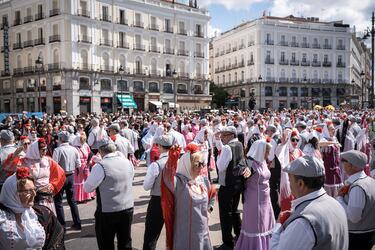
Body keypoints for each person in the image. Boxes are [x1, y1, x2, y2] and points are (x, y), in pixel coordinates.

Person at [271, 155, 349, 250]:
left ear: (300, 184)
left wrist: (278, 225)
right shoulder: (336, 203)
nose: (289, 184)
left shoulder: (303, 221)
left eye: (290, 180)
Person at [160, 143, 216, 250]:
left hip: (202, 233)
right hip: (184, 235)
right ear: (187, 164)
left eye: (202, 163)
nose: (201, 167)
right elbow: (167, 177)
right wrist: (172, 159)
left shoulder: (203, 180)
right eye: (197, 164)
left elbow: (212, 193)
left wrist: (209, 209)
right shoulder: (179, 183)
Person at [84, 138, 134, 250]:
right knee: (125, 241)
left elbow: (87, 188)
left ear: (101, 151)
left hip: (108, 211)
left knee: (106, 243)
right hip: (127, 207)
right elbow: (131, 178)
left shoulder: (100, 166)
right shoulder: (127, 162)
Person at [0, 167, 65, 250]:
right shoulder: (2, 219)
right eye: (27, 191)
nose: (34, 194)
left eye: (34, 190)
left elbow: (56, 237)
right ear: (12, 194)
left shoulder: (41, 214)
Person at [215, 126, 251, 250]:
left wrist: (219, 155)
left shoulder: (227, 148)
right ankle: (239, 235)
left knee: (225, 214)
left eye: (223, 135)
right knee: (234, 211)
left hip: (227, 184)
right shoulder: (239, 144)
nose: (222, 137)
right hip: (237, 184)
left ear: (230, 135)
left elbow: (220, 166)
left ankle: (227, 242)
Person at [235, 140, 275, 250]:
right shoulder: (250, 162)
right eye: (266, 151)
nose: (267, 154)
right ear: (259, 151)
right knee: (257, 226)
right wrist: (244, 170)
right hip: (254, 201)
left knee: (266, 225)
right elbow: (238, 169)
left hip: (266, 200)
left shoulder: (263, 161)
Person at [337, 150, 375, 250]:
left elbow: (354, 217)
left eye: (344, 161)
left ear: (351, 165)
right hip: (368, 234)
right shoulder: (370, 181)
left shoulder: (357, 187)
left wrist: (339, 199)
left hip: (357, 237)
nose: (342, 164)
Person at [142, 134, 173, 250]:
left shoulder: (156, 165)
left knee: (151, 234)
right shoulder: (178, 161)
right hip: (174, 200)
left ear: (160, 146)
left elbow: (146, 186)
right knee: (173, 234)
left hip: (158, 200)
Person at [53, 131, 82, 230]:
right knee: (72, 201)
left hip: (61, 176)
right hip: (71, 176)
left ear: (60, 139)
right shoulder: (74, 149)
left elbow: (54, 165)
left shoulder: (57, 150)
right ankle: (77, 223)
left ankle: (62, 226)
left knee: (58, 201)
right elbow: (79, 164)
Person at [72, 132, 95, 203]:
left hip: (86, 166)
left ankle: (89, 195)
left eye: (84, 141)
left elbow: (90, 153)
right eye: (82, 141)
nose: (83, 143)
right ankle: (80, 198)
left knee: (87, 180)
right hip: (78, 168)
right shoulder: (74, 148)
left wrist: (89, 162)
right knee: (79, 181)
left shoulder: (85, 145)